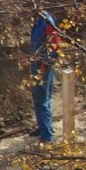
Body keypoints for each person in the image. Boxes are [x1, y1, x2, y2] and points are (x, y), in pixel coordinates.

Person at [27, 9, 62, 143]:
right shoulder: (38, 21)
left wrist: (45, 64)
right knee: (38, 98)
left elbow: (55, 45)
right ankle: (42, 127)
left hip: (43, 66)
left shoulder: (46, 22)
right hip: (38, 62)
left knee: (42, 100)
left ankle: (47, 136)